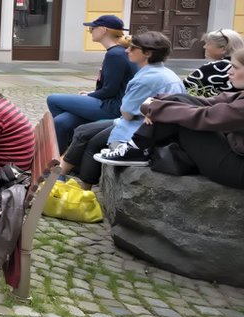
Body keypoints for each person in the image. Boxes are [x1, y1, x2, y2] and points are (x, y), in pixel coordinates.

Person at [99, 48, 244, 189]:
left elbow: (205, 116)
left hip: (238, 170)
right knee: (181, 102)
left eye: (235, 68)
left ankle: (136, 148)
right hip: (233, 152)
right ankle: (136, 148)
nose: (229, 72)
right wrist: (155, 102)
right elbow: (207, 102)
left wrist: (157, 109)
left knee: (180, 118)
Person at [62, 32, 184, 184]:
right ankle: (61, 175)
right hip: (152, 127)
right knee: (83, 131)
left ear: (147, 53)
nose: (127, 50)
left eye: (132, 48)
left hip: (141, 132)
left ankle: (83, 190)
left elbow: (127, 114)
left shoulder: (146, 79)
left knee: (92, 143)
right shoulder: (166, 73)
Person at [46, 14, 135, 150]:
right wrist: (92, 93)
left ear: (103, 30)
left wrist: (89, 96)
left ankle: (69, 145)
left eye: (92, 29)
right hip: (113, 102)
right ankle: (64, 157)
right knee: (61, 122)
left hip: (114, 107)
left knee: (53, 99)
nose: (90, 32)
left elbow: (109, 91)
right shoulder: (119, 51)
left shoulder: (115, 54)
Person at [184, 29, 244, 94]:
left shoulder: (216, 67)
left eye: (208, 44)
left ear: (223, 48)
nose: (204, 47)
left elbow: (184, 87)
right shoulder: (236, 65)